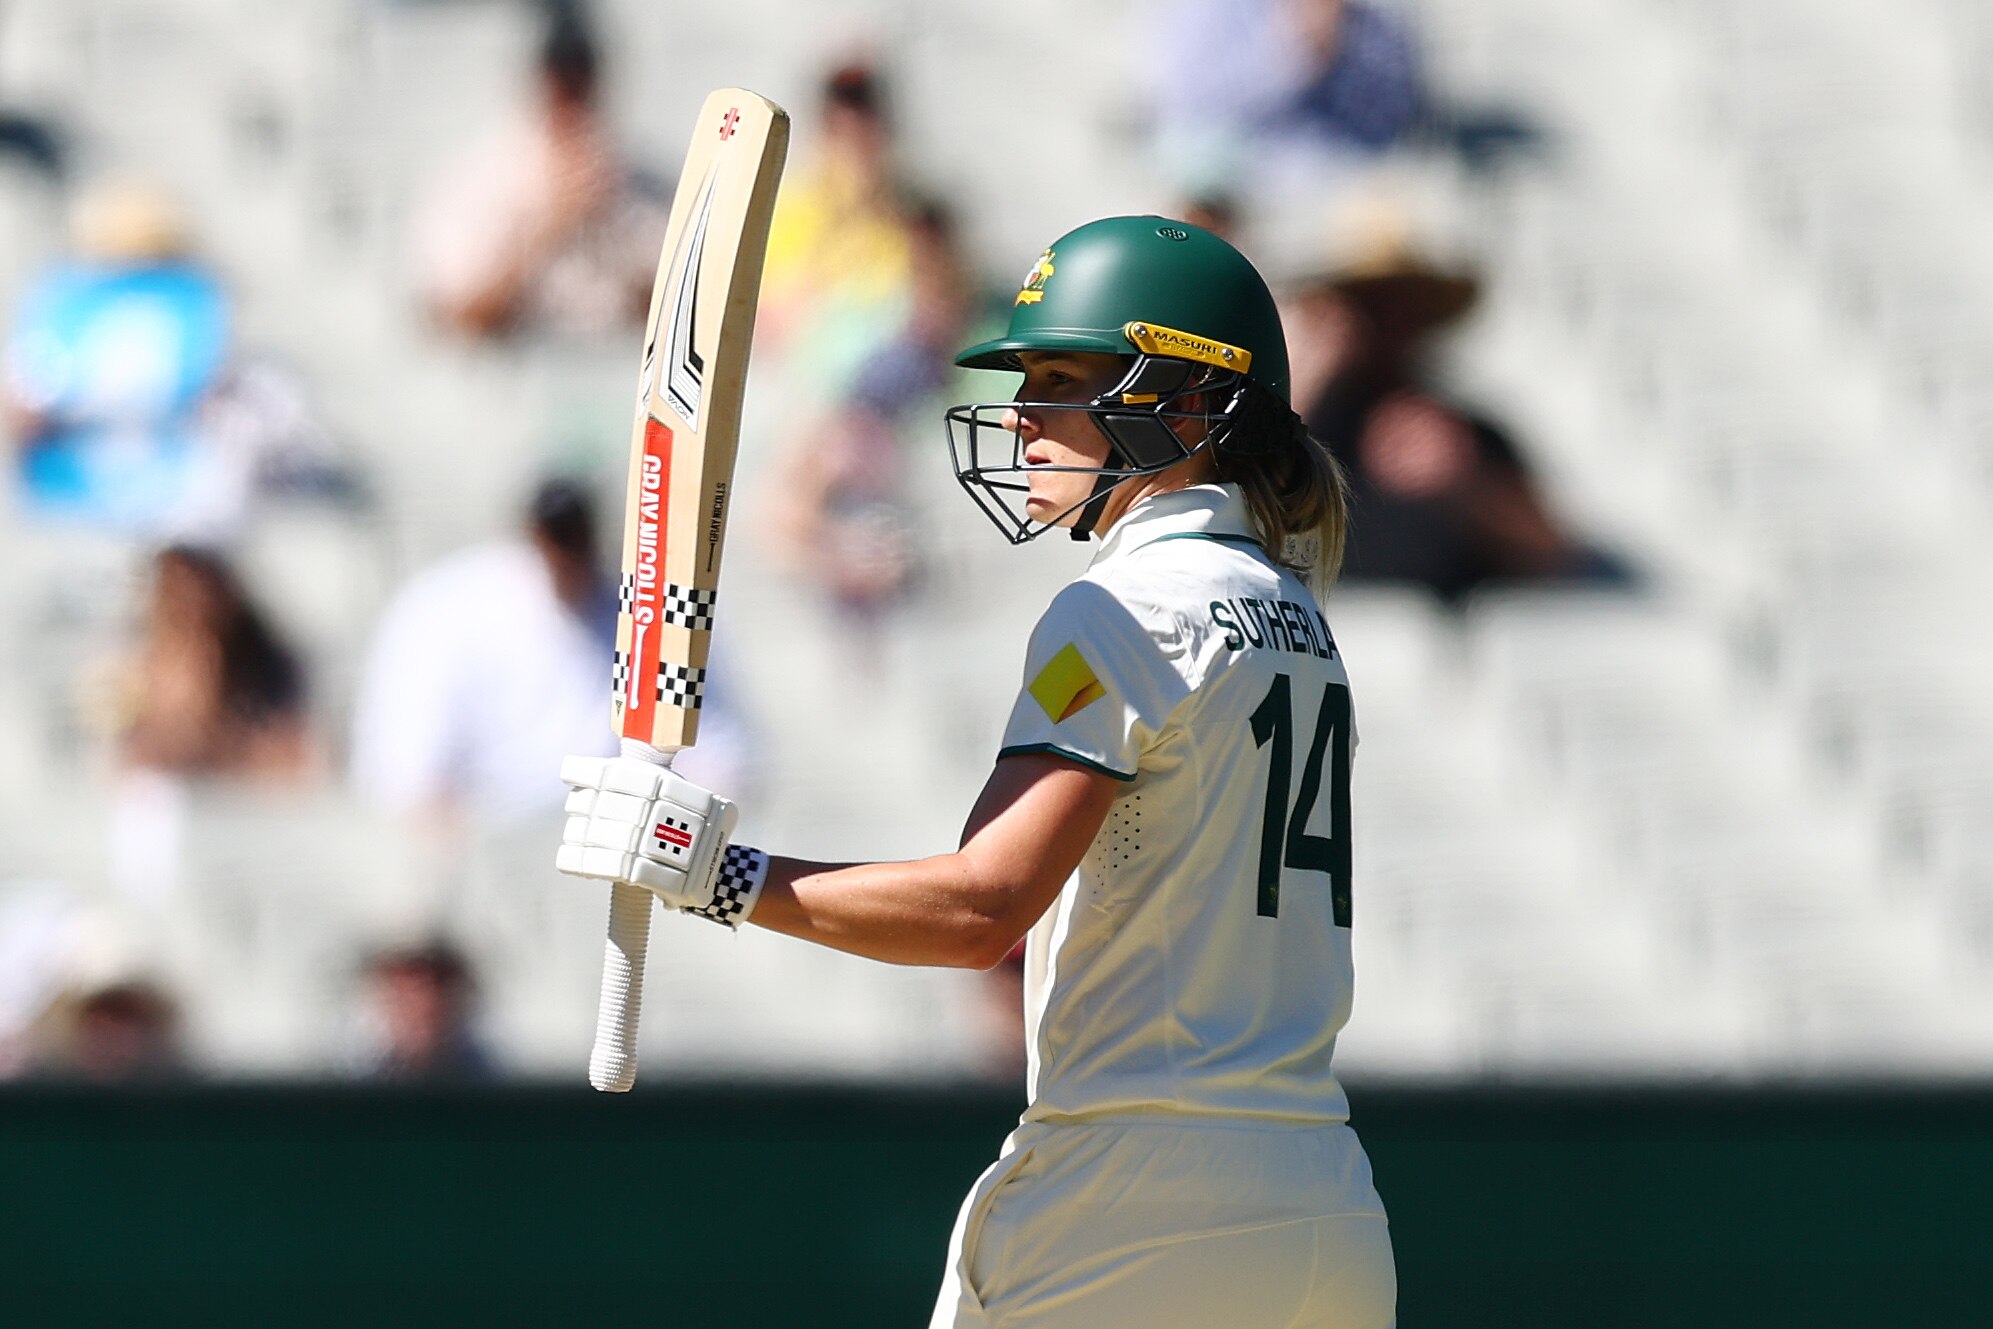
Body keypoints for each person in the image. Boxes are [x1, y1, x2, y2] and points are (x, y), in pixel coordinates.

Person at [556, 218, 1395, 1326]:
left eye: (1063, 380)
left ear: (1191, 406)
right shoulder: (1297, 613)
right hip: (1323, 1206)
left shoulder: (1120, 607)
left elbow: (980, 910)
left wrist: (711, 870)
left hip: (1128, 1193)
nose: (1022, 417)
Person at [349, 478, 754, 830]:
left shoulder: (649, 616)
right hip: (487, 834)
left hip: (614, 830)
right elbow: (408, 777)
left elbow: (718, 756)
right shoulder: (446, 608)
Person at [1291, 209, 1628, 602]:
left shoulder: (1466, 431)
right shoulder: (1296, 437)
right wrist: (1306, 382)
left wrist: (1467, 485)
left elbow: (1552, 550)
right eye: (1366, 304)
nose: (1386, 322)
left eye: (1403, 303)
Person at [411, 2, 669, 339]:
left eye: (582, 80)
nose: (572, 100)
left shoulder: (640, 183)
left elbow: (682, 317)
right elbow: (456, 317)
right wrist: (552, 226)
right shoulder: (476, 179)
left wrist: (607, 229)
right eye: (561, 82)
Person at [4, 180, 230, 533]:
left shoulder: (64, 293)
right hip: (129, 486)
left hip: (125, 485)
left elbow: (32, 386)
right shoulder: (193, 294)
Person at [106, 544, 315, 780]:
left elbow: (293, 764)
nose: (187, 602)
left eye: (196, 585)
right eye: (174, 588)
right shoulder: (133, 663)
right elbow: (124, 762)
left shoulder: (268, 669)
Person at [354, 940, 494, 1083]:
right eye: (408, 994)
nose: (424, 1003)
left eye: (439, 985)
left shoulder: (488, 1079)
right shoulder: (360, 1077)